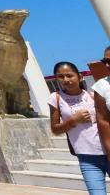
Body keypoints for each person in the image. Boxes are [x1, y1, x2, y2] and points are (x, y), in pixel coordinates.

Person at [51, 60, 107, 194]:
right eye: (60, 76)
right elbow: (55, 129)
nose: (66, 79)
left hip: (107, 151)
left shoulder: (93, 96)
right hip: (87, 158)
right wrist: (73, 120)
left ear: (80, 76)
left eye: (69, 75)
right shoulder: (56, 98)